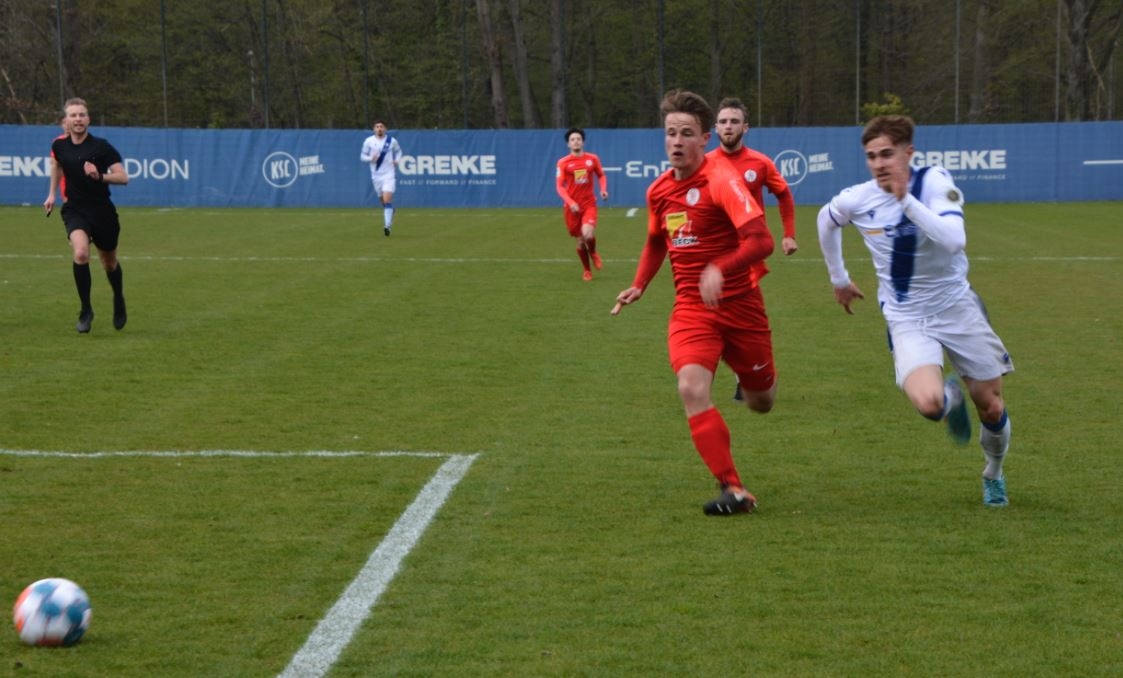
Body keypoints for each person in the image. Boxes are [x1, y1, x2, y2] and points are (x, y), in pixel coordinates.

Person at [816, 114, 1014, 506]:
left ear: (909, 153)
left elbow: (954, 240)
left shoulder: (936, 182)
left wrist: (905, 200)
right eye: (871, 156)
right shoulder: (859, 197)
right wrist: (839, 278)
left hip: (957, 308)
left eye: (887, 154)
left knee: (991, 406)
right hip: (906, 317)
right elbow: (826, 219)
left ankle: (993, 472)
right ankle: (948, 397)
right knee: (929, 404)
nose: (879, 164)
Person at [612, 90, 777, 516]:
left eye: (687, 133)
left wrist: (722, 266)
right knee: (690, 386)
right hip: (692, 309)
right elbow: (656, 241)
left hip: (742, 307)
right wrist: (639, 284)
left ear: (705, 138)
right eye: (670, 133)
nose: (677, 141)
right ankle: (733, 488)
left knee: (762, 401)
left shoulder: (722, 181)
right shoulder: (659, 191)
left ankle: (753, 384)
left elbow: (762, 241)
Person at [708, 96, 798, 401]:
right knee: (711, 314)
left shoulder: (760, 163)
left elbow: (783, 194)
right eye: (723, 121)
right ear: (715, 127)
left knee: (740, 315)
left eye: (734, 121)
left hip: (747, 251)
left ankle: (748, 374)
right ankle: (734, 372)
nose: (728, 126)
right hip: (713, 252)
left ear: (745, 127)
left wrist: (789, 235)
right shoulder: (705, 164)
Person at [44, 98, 129, 334]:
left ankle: (118, 297)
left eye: (82, 115)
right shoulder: (59, 146)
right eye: (73, 115)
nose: (78, 119)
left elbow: (123, 177)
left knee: (109, 262)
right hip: (75, 209)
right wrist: (51, 194)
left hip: (102, 210)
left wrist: (99, 176)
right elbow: (57, 166)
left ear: (88, 119)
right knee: (81, 253)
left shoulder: (101, 147)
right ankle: (86, 310)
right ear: (66, 120)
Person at [555, 127, 608, 281]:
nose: (576, 141)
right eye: (572, 139)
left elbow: (601, 175)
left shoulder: (592, 159)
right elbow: (559, 186)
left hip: (589, 204)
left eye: (578, 139)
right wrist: (570, 202)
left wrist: (603, 190)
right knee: (580, 241)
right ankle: (587, 270)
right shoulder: (563, 163)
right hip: (572, 208)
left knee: (588, 234)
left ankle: (593, 252)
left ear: (583, 142)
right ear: (568, 144)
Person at [359, 119, 402, 236]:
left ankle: (387, 226)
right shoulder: (368, 141)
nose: (379, 129)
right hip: (376, 176)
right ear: (374, 129)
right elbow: (362, 156)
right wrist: (370, 158)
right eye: (377, 127)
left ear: (385, 129)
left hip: (389, 174)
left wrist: (397, 160)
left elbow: (399, 152)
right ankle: (391, 211)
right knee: (382, 200)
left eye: (381, 126)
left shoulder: (391, 141)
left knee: (387, 199)